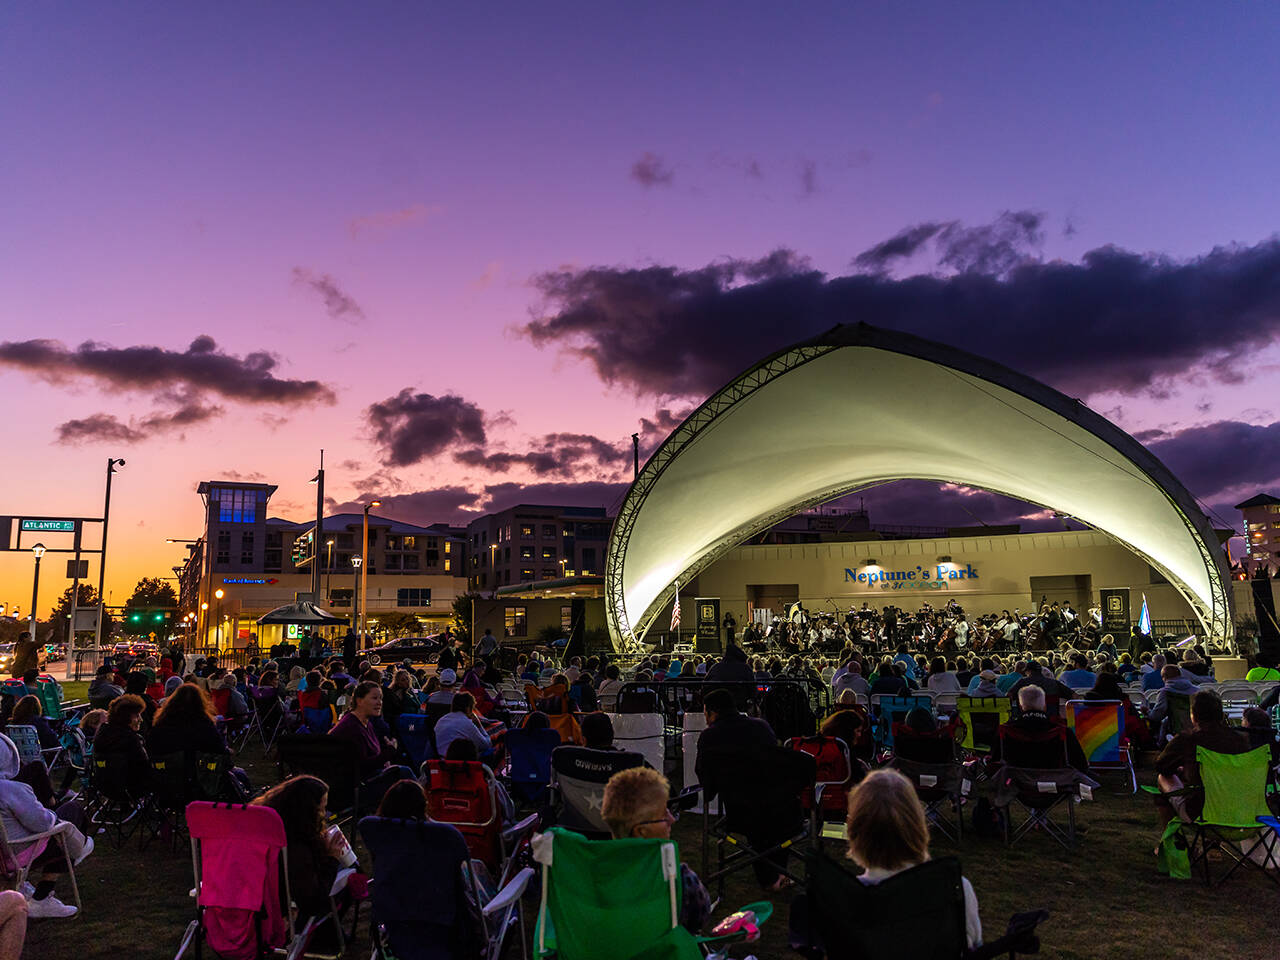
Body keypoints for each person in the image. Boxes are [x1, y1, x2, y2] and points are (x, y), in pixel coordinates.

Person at [843, 768, 982, 949]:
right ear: (918, 824)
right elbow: (973, 947)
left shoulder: (844, 900)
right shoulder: (957, 889)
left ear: (855, 831)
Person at [601, 767, 711, 933]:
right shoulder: (679, 879)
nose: (672, 819)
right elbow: (699, 921)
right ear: (641, 831)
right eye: (663, 815)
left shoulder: (591, 873)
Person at [0, 732, 92, 919]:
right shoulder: (10, 790)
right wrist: (51, 816)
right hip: (19, 854)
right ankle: (42, 899)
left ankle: (79, 847)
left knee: (63, 825)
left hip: (3, 856)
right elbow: (43, 824)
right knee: (70, 815)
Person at [253, 775, 350, 940]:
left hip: (255, 893)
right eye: (321, 809)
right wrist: (332, 858)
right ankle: (322, 934)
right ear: (307, 811)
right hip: (285, 900)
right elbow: (312, 901)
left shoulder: (263, 825)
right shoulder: (297, 847)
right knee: (350, 875)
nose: (324, 814)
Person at [1153, 691, 1251, 827]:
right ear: (1221, 714)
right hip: (1242, 810)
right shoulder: (1241, 740)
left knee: (1163, 777)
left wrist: (1184, 770)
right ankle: (1212, 846)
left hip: (1201, 812)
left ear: (1194, 716)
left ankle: (1174, 843)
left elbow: (1162, 766)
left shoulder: (1188, 739)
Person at [147, 683, 249, 799]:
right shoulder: (204, 726)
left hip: (165, 782)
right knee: (240, 775)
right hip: (201, 782)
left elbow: (151, 749)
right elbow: (219, 750)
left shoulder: (160, 726)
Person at [328, 682, 414, 809]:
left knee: (400, 772)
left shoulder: (365, 723)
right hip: (352, 790)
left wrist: (385, 759)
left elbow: (372, 756)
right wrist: (389, 751)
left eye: (381, 698)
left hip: (363, 781)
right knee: (403, 774)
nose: (379, 702)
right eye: (374, 698)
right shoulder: (351, 727)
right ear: (359, 701)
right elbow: (363, 766)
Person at [990, 686, 1089, 774]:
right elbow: (1081, 765)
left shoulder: (1006, 730)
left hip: (1016, 782)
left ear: (1020, 707)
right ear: (1045, 706)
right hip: (1054, 781)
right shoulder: (1062, 731)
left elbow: (995, 762)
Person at [92, 694, 152, 790]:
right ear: (125, 717)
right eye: (137, 715)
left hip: (104, 786)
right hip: (131, 787)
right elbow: (144, 766)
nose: (141, 719)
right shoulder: (131, 739)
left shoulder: (101, 734)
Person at [432, 692, 495, 762]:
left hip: (440, 761)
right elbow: (486, 745)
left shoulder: (442, 720)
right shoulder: (466, 723)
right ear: (468, 708)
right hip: (459, 763)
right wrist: (479, 725)